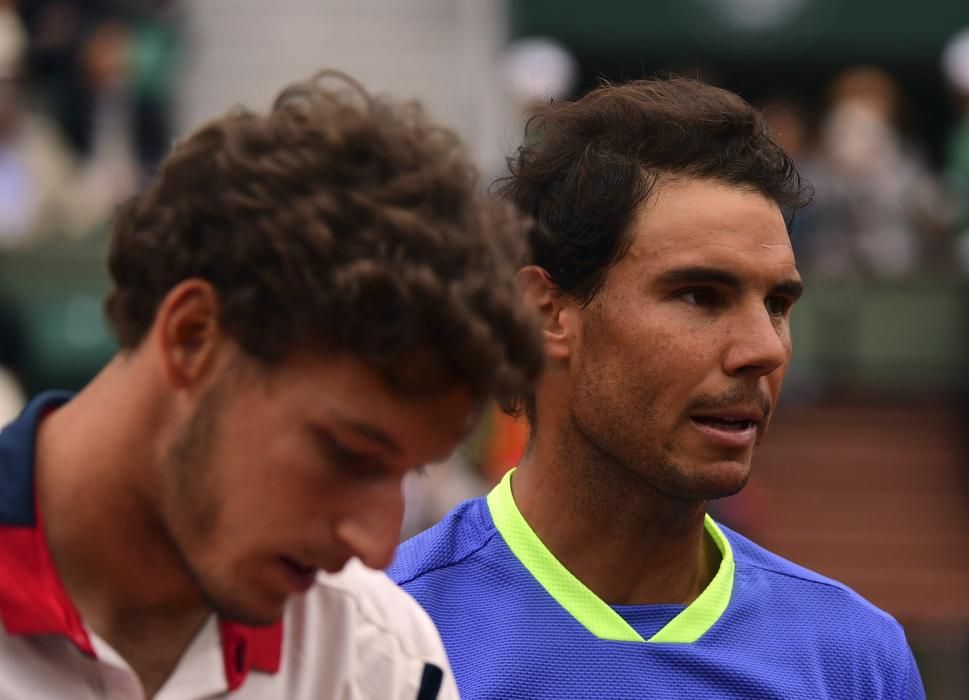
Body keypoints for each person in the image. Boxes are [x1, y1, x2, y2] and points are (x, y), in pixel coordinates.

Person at [0, 71, 544, 699]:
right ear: (193, 337)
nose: (373, 547)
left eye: (410, 472)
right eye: (347, 454)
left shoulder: (386, 659)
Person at [389, 77, 926, 699]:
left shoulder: (856, 660)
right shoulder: (383, 636)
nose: (766, 348)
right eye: (700, 295)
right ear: (546, 314)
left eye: (778, 303)